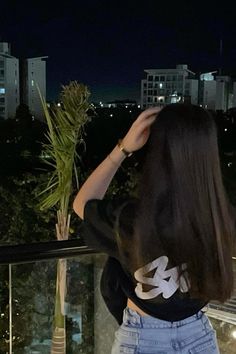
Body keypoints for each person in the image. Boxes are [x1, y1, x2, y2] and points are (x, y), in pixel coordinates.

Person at [73, 103, 235, 353]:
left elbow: (81, 204)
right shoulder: (219, 217)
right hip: (199, 336)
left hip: (143, 338)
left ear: (158, 154)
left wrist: (123, 148)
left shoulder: (132, 218)